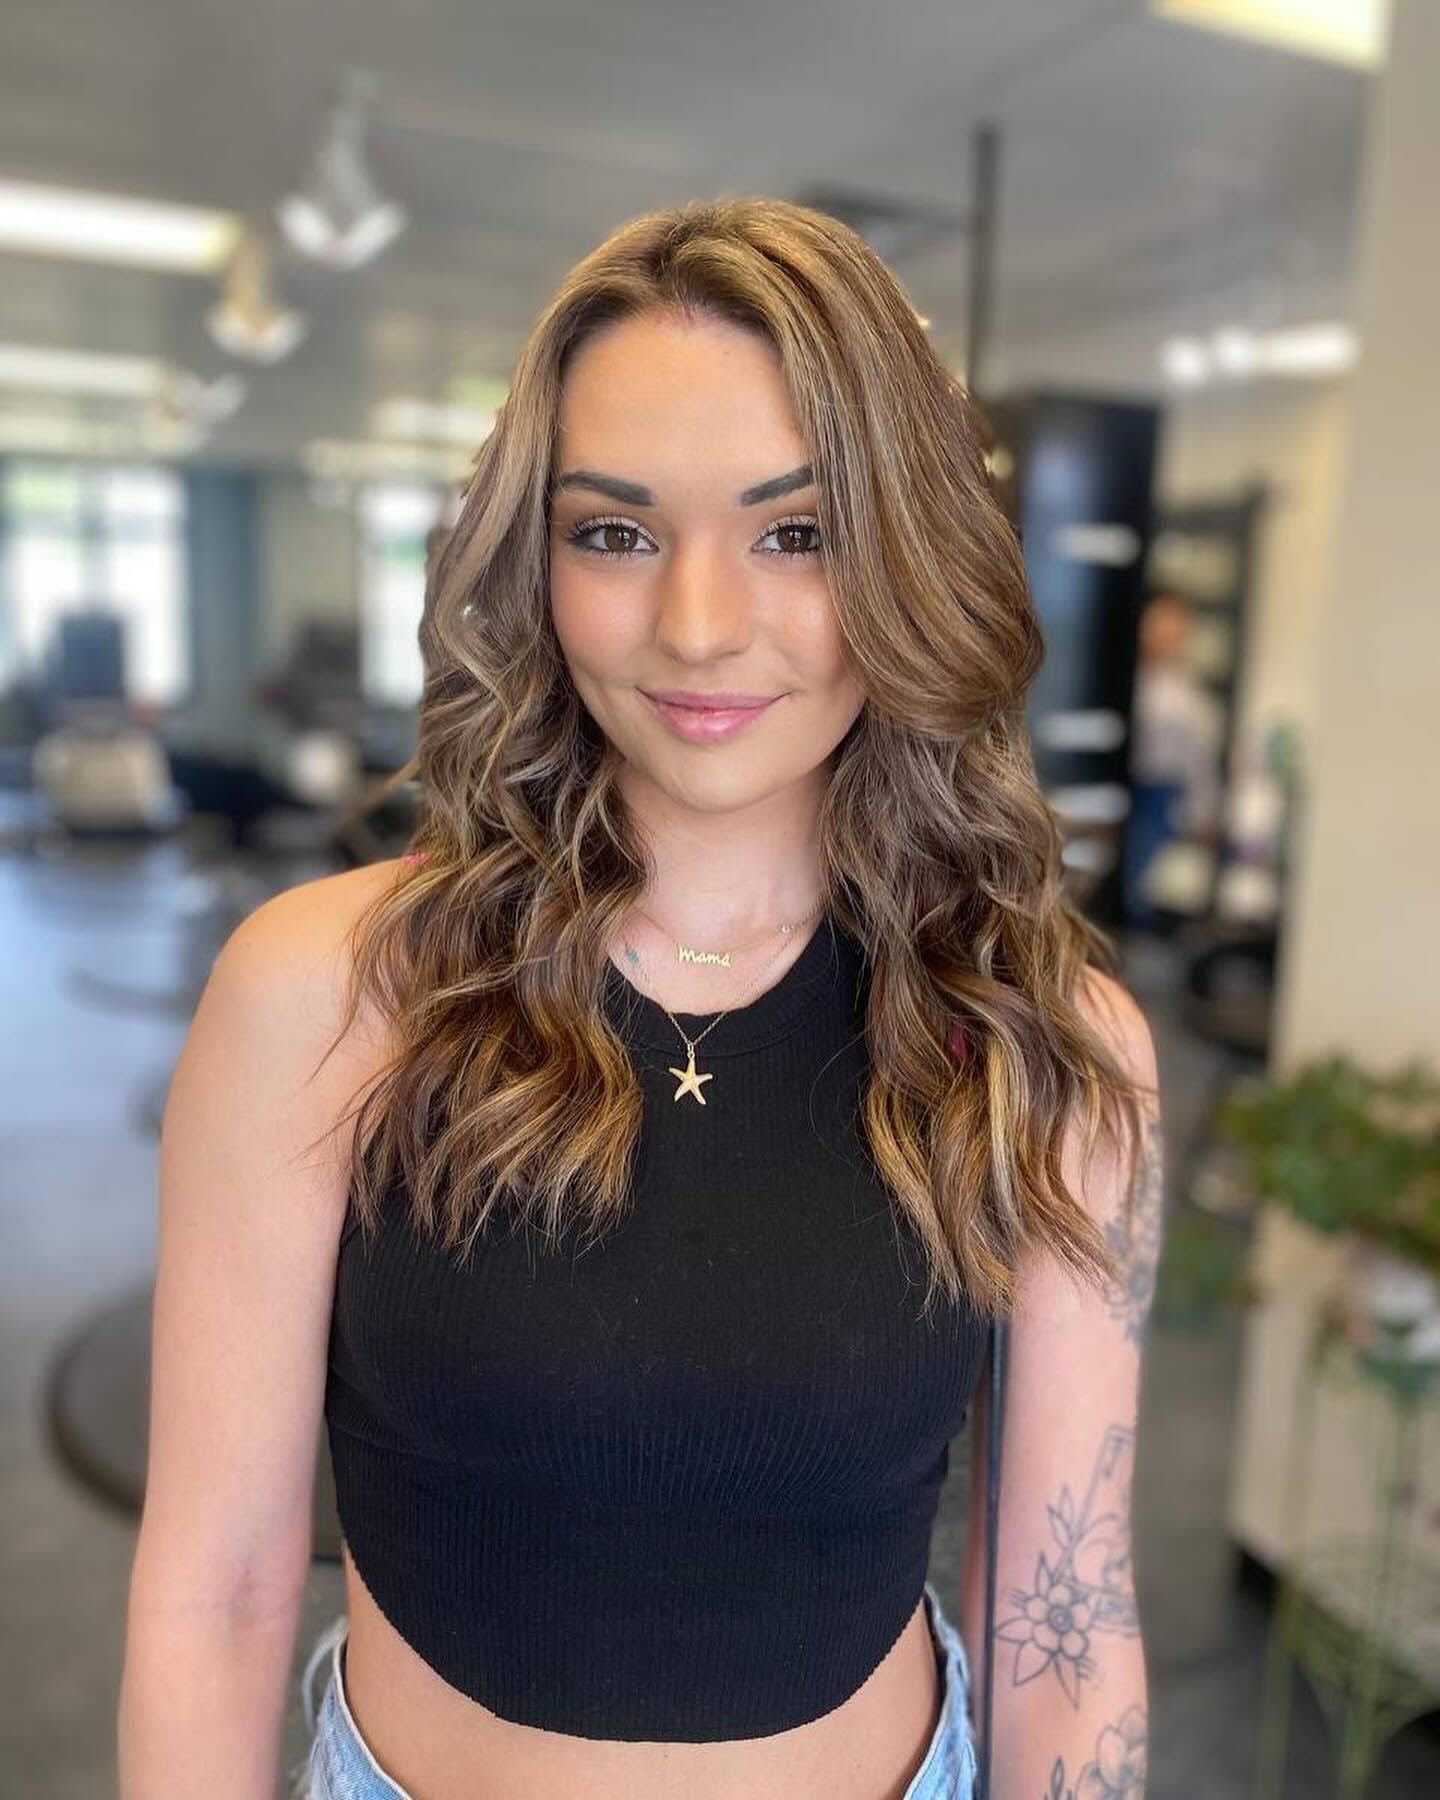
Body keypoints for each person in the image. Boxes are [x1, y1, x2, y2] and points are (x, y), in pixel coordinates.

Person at [118, 197, 1163, 1800]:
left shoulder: (1047, 1043)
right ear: (532, 559)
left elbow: (1062, 1625)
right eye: (614, 531)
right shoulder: (330, 993)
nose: (695, 622)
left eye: (794, 533)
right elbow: (220, 1584)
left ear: (905, 554)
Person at [1124, 591, 1226, 929]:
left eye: (1176, 629)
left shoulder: (1187, 696)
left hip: (1158, 795)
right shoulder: (1124, 678)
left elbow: (1197, 761)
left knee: (1136, 879)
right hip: (1123, 785)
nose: (1166, 635)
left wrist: (1203, 812)